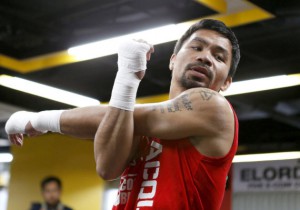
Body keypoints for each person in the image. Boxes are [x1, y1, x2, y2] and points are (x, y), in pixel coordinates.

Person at [6, 19, 240, 209]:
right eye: (197, 47)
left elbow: (120, 116)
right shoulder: (138, 120)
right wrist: (125, 79)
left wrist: (36, 120)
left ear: (227, 82)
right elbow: (107, 167)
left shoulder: (215, 107)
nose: (205, 57)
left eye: (219, 57)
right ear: (173, 60)